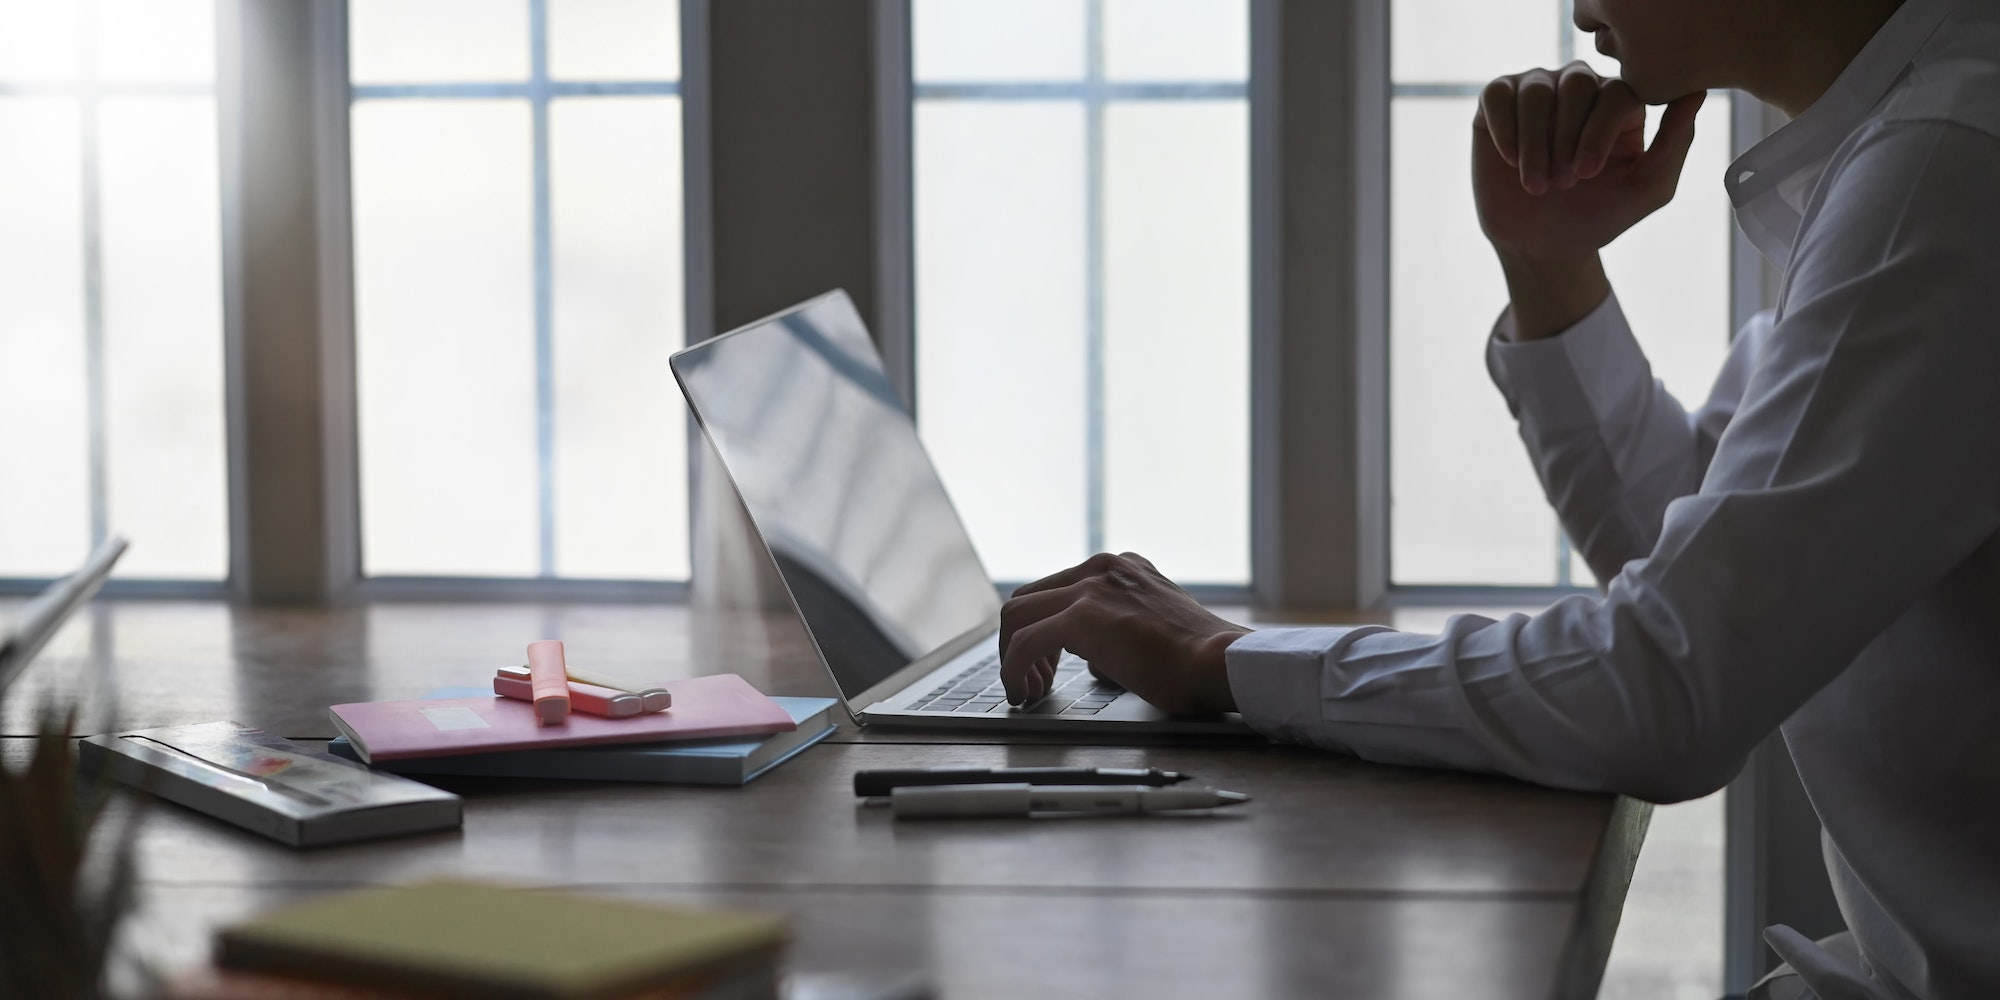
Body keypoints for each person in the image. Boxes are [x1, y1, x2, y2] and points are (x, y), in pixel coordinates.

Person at [995, 0, 2000, 996]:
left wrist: (1220, 660)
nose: (1573, 9)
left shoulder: (1946, 164)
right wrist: (1545, 261)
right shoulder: (1901, 148)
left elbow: (1670, 684)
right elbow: (1708, 562)